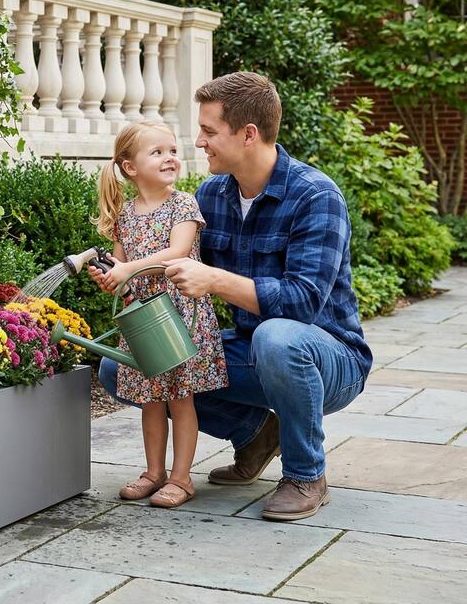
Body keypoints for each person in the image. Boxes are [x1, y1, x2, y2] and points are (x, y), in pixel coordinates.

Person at [98, 72, 372, 521]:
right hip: (249, 348)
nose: (199, 142)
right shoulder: (212, 195)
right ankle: (256, 434)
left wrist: (214, 279)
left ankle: (306, 473)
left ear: (248, 134)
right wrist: (122, 270)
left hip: (327, 357)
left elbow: (302, 303)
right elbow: (163, 259)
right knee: (124, 364)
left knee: (278, 337)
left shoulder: (315, 196)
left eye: (209, 131)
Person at [89, 120, 228, 509]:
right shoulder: (124, 214)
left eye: (172, 150)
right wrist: (112, 277)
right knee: (150, 399)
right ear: (130, 167)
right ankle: (154, 472)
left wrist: (127, 269)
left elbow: (178, 253)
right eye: (157, 152)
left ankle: (182, 478)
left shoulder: (182, 204)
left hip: (181, 312)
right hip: (143, 317)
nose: (170, 158)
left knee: (181, 399)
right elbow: (121, 266)